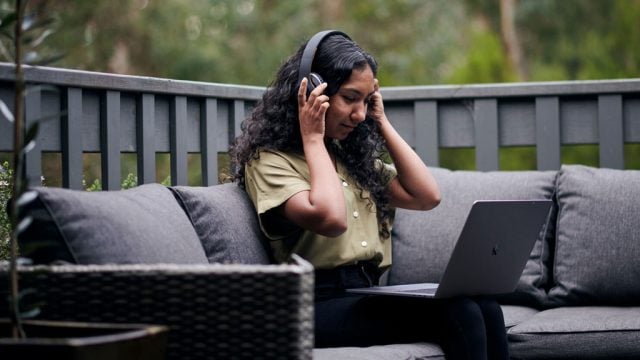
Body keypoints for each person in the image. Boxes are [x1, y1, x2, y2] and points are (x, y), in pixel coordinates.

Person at [229, 30, 509, 360]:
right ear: (313, 91)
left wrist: (381, 120)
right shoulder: (270, 161)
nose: (359, 114)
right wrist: (313, 138)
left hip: (363, 292)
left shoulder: (349, 159)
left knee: (487, 308)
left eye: (366, 101)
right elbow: (331, 219)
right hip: (311, 304)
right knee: (459, 312)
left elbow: (427, 196)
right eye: (350, 98)